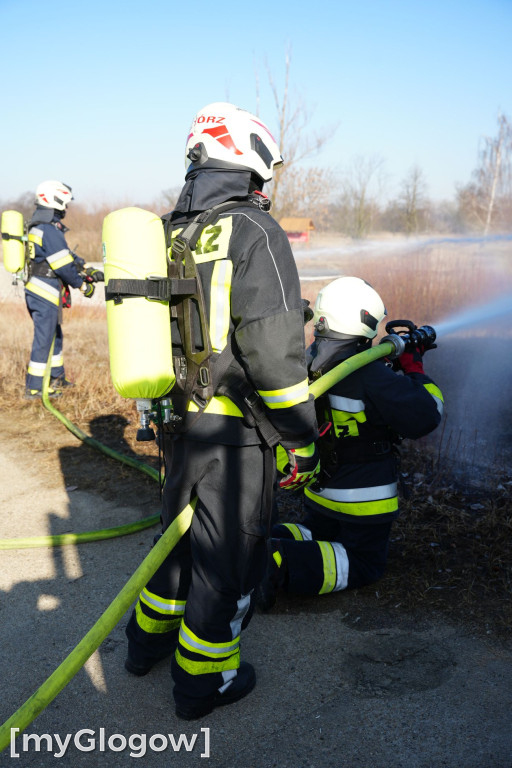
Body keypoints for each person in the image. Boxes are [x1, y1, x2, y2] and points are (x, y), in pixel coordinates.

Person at [124, 102, 320, 720]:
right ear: (252, 158)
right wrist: (302, 438)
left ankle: (141, 648)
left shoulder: (167, 229)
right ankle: (202, 687)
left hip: (178, 426)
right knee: (224, 564)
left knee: (174, 546)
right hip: (235, 438)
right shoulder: (255, 230)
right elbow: (272, 355)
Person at [257, 276, 444, 608]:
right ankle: (276, 563)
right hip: (363, 501)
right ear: (367, 321)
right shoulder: (371, 375)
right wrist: (414, 369)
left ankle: (257, 546)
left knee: (318, 532)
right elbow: (426, 415)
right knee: (364, 561)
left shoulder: (306, 360)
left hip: (319, 490)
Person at [24, 180, 103, 399]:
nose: (66, 209)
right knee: (44, 339)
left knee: (54, 336)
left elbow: (66, 255)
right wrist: (83, 285)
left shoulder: (42, 226)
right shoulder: (48, 229)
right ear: (55, 201)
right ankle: (35, 388)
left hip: (42, 290)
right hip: (44, 291)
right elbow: (62, 266)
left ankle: (57, 378)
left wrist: (86, 267)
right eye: (64, 204)